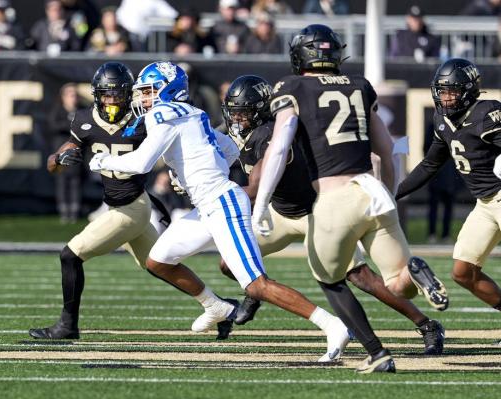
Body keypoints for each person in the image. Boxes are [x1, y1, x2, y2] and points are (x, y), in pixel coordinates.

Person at [89, 61, 351, 359]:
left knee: (256, 285)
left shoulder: (163, 114)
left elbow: (139, 164)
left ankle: (333, 325)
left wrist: (102, 161)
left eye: (148, 91)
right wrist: (192, 174)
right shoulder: (194, 113)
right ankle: (215, 305)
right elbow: (229, 152)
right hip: (208, 204)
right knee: (159, 260)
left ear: (167, 90)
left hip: (222, 203)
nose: (142, 99)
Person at [252, 24, 449, 373]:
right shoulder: (359, 85)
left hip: (334, 197)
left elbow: (280, 147)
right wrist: (389, 195)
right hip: (371, 190)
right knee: (399, 284)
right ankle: (415, 271)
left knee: (330, 278)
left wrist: (262, 200)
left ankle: (377, 352)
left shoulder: (292, 87)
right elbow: (387, 152)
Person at [219, 74, 445, 356]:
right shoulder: (245, 131)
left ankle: (426, 324)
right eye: (234, 113)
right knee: (230, 263)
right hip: (280, 212)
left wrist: (213, 193)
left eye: (244, 114)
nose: (237, 120)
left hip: (316, 213)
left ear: (262, 110)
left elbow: (254, 188)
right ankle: (256, 291)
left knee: (361, 277)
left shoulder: (269, 133)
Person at [29, 62, 161, 340]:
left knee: (70, 255)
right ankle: (219, 306)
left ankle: (67, 325)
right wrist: (59, 159)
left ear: (129, 95)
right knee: (160, 264)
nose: (111, 101)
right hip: (120, 205)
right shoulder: (84, 120)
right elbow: (55, 161)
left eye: (117, 94)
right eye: (106, 94)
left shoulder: (143, 119)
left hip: (131, 206)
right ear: (97, 95)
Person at [396, 58, 501, 325]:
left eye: (452, 91)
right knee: (463, 272)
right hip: (485, 204)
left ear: (468, 91)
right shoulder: (442, 119)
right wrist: (393, 192)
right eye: (442, 91)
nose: (446, 97)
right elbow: (431, 164)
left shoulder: (487, 114)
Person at [47, 83, 85, 223]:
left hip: (77, 152)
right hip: (60, 151)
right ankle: (63, 211)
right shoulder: (57, 111)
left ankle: (75, 210)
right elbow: (53, 126)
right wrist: (69, 125)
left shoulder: (81, 111)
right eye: (70, 94)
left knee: (76, 180)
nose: (73, 98)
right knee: (62, 180)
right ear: (63, 97)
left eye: (75, 94)